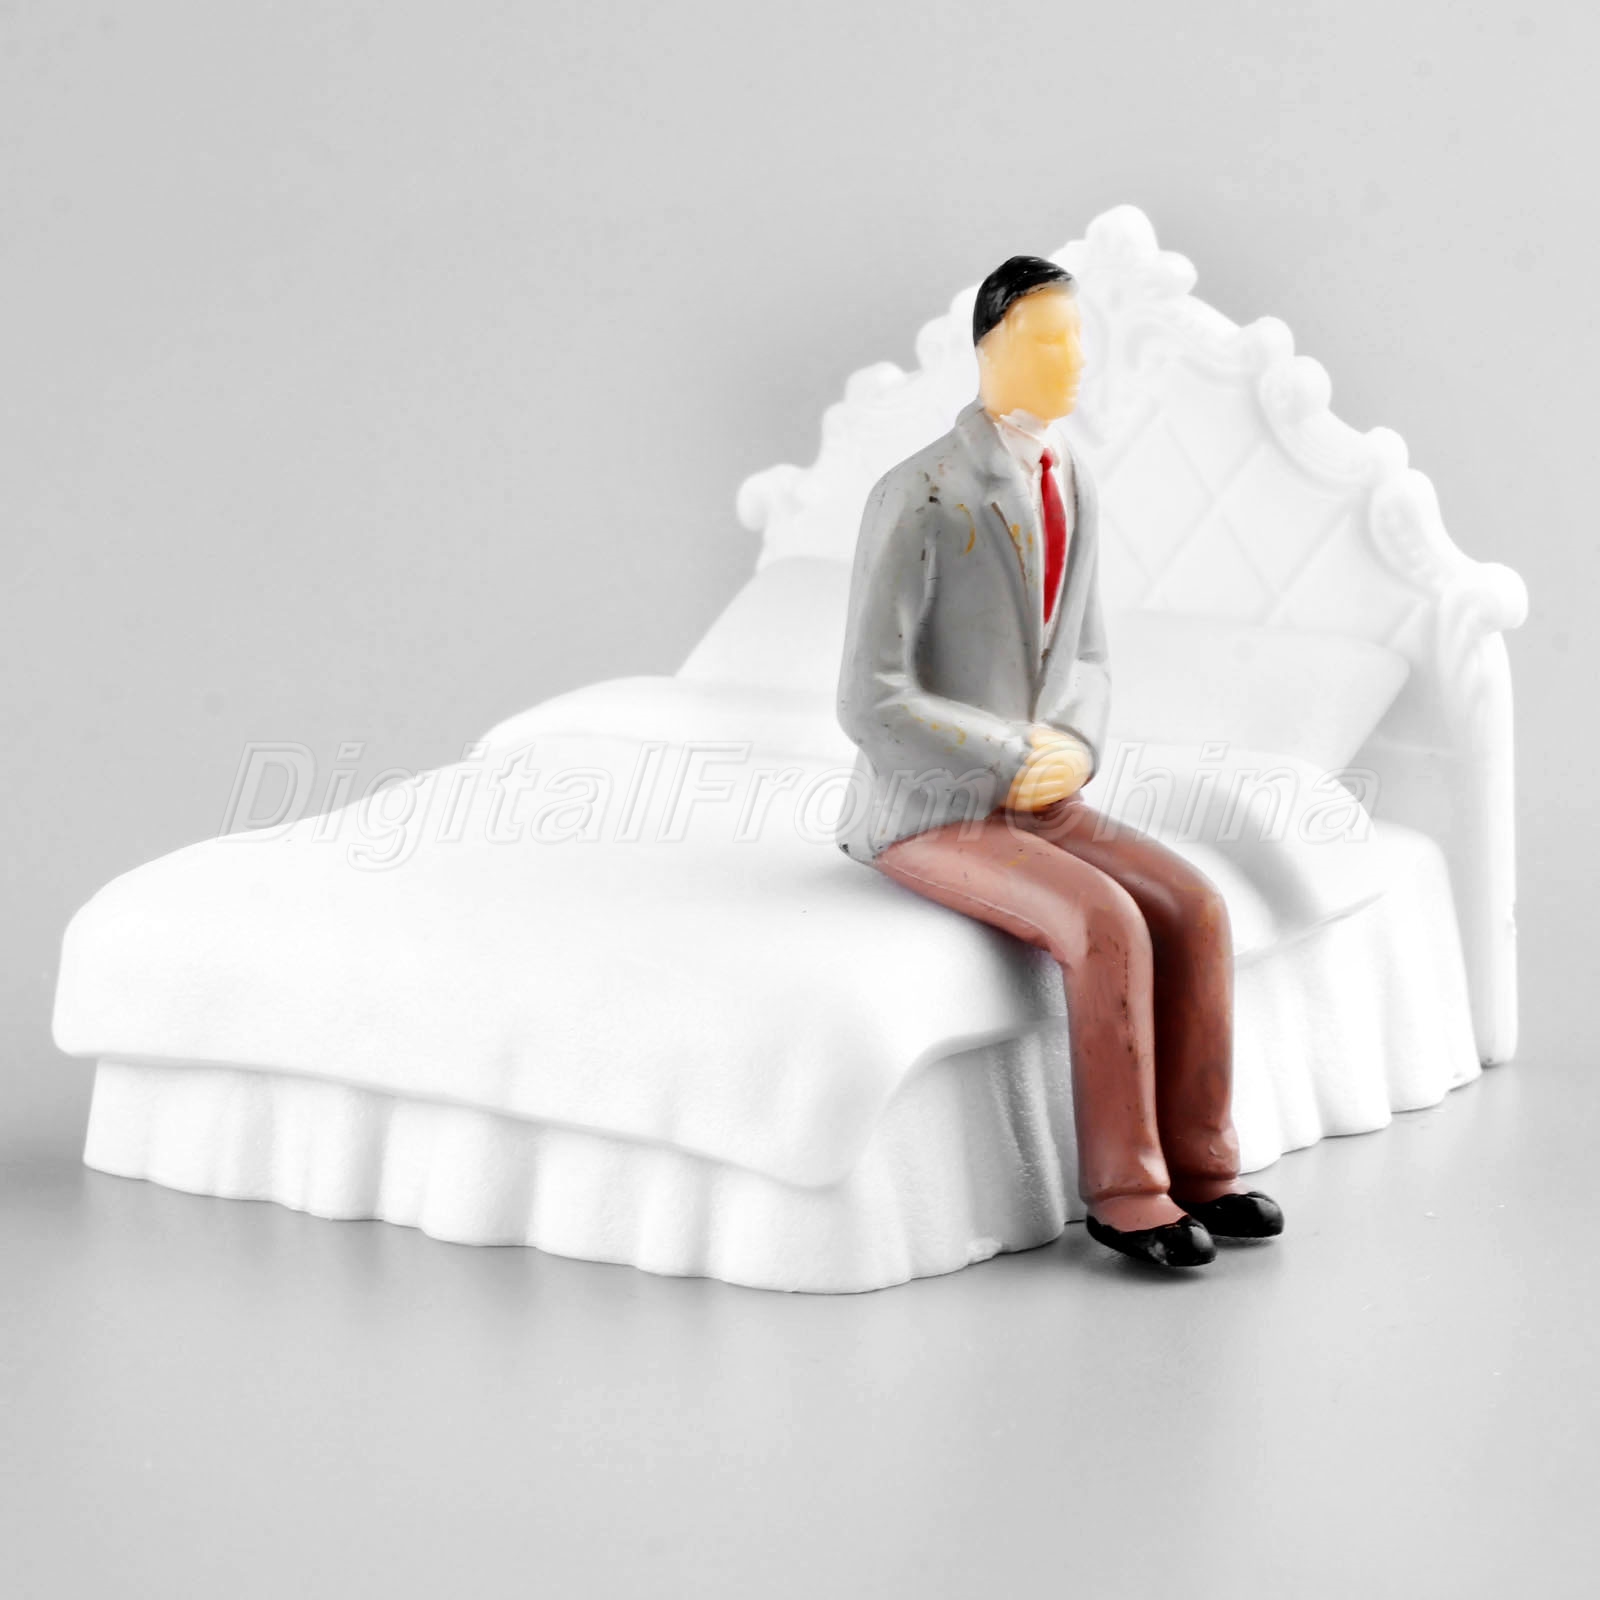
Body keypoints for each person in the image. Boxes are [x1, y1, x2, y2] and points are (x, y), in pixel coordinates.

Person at [835, 255, 1284, 1270]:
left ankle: (1202, 1162)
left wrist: (1071, 744)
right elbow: (868, 696)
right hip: (930, 802)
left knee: (1193, 904)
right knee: (1102, 920)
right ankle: (1127, 1192)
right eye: (1047, 339)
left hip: (1040, 789)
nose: (1073, 359)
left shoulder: (1068, 476)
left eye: (1079, 338)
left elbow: (1083, 653)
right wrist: (1004, 754)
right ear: (989, 348)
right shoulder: (919, 494)